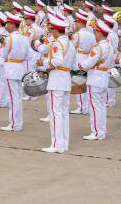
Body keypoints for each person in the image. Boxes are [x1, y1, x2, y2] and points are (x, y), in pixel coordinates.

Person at [41, 14, 74, 153]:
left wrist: (44, 63)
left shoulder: (57, 43)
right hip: (65, 78)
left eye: (51, 29)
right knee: (64, 113)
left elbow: (57, 60)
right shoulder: (70, 43)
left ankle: (56, 144)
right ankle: (64, 143)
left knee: (55, 114)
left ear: (55, 30)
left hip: (57, 80)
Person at [77, 19, 115, 141]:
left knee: (94, 106)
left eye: (95, 32)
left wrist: (79, 65)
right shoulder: (109, 46)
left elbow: (88, 63)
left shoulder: (98, 48)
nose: (94, 34)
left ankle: (96, 132)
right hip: (103, 77)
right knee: (101, 106)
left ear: (99, 33)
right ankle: (101, 131)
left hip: (95, 78)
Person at [0, 10, 29, 133]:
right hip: (20, 68)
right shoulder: (24, 38)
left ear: (12, 25)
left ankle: (14, 123)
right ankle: (18, 122)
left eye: (8, 24)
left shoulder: (9, 39)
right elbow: (28, 55)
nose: (6, 26)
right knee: (17, 97)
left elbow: (3, 53)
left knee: (12, 98)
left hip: (11, 68)